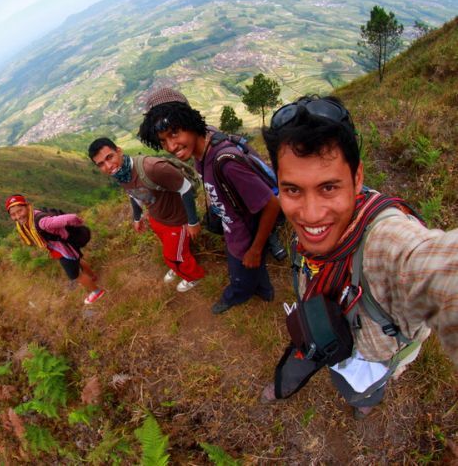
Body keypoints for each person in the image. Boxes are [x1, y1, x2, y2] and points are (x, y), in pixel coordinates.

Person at [258, 95, 458, 419]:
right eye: (293, 190)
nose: (309, 214)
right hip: (325, 321)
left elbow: (429, 263)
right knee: (314, 353)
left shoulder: (384, 241)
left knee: (366, 385)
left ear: (358, 178)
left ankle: (364, 400)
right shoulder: (324, 223)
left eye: (328, 188)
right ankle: (291, 384)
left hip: (376, 354)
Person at [137, 87, 281, 314]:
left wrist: (255, 248)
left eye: (174, 133)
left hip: (244, 233)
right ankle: (264, 289)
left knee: (241, 269)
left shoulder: (226, 162)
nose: (171, 147)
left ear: (190, 121)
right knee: (252, 267)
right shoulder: (202, 145)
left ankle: (235, 295)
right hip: (234, 225)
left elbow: (272, 204)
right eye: (163, 141)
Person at [87, 137, 205, 292]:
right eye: (101, 164)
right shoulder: (122, 174)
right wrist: (137, 217)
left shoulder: (152, 168)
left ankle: (193, 276)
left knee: (172, 256)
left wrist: (192, 222)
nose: (108, 166)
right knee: (173, 251)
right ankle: (178, 266)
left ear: (119, 151)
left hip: (177, 220)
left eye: (109, 157)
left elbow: (186, 189)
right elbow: (133, 194)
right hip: (157, 218)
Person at [5, 194, 105, 305]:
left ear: (27, 207)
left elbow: (68, 218)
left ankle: (96, 291)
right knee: (78, 261)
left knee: (76, 275)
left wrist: (78, 221)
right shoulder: (32, 216)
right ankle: (92, 277)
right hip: (61, 247)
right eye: (13, 214)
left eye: (20, 211)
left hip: (64, 250)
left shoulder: (41, 222)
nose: (18, 216)